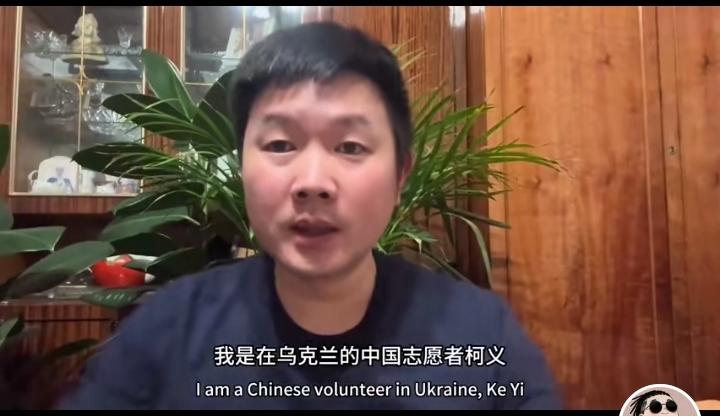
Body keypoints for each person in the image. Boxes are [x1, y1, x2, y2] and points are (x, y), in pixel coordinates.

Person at [57, 21, 562, 410]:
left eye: (350, 146)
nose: (313, 181)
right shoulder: (167, 331)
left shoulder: (481, 337)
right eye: (280, 144)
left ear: (400, 175)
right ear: (241, 166)